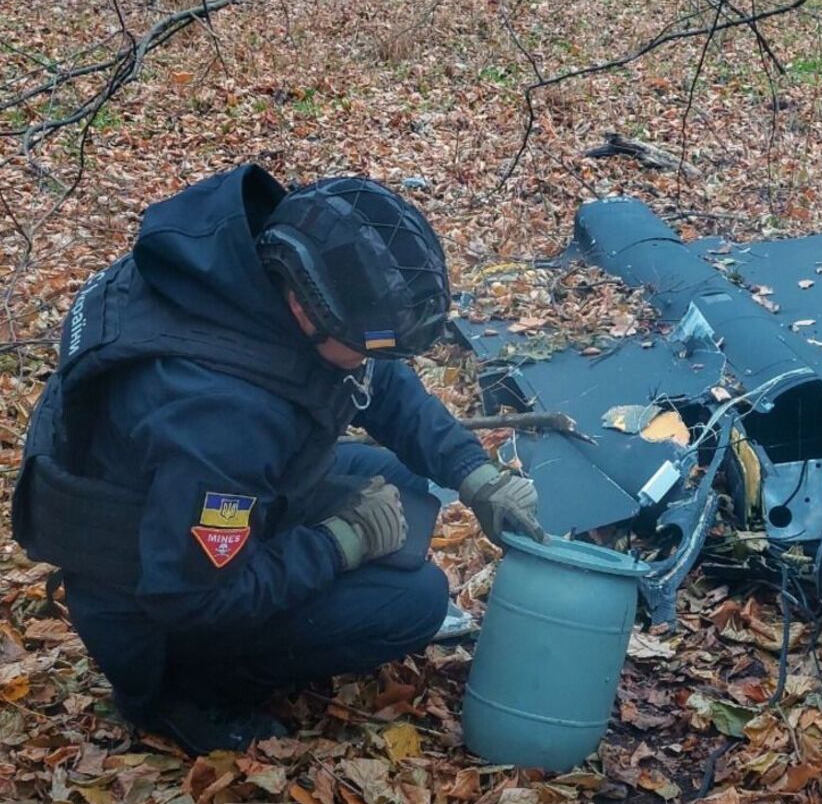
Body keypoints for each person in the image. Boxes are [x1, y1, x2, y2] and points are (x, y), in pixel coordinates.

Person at [11, 164, 545, 753]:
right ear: (305, 311)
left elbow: (378, 382)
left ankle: (310, 606)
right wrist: (341, 544)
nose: (377, 359)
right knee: (414, 601)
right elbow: (193, 599)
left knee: (399, 486)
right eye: (370, 344)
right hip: (152, 612)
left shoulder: (239, 266)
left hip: (169, 510)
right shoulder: (219, 417)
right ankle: (189, 698)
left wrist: (476, 473)